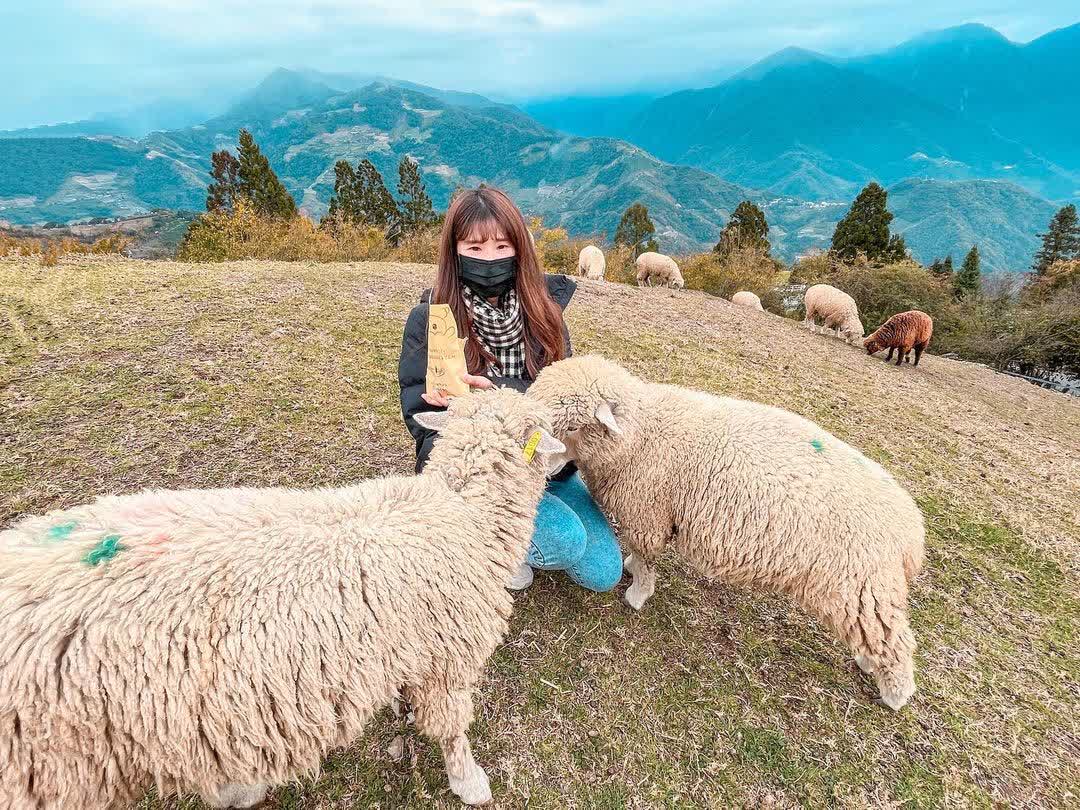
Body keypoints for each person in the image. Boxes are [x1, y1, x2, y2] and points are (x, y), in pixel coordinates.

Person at [397, 186, 622, 592]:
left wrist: (497, 391)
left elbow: (562, 397)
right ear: (455, 251)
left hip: (547, 460)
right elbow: (420, 416)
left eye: (502, 246)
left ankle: (512, 532)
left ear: (520, 248)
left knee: (604, 573)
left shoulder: (547, 314)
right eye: (475, 248)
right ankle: (485, 545)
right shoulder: (432, 320)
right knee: (565, 542)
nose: (489, 260)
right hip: (484, 470)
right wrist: (462, 410)